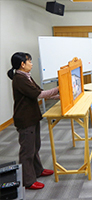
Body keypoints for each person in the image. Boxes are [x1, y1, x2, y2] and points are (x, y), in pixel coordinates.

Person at [7, 52, 59, 189]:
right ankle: (28, 180)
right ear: (22, 64)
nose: (31, 63)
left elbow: (39, 91)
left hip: (32, 116)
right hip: (25, 119)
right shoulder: (19, 78)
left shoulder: (26, 76)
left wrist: (59, 96)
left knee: (35, 146)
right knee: (27, 151)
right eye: (29, 61)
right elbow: (39, 94)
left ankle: (38, 170)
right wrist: (59, 89)